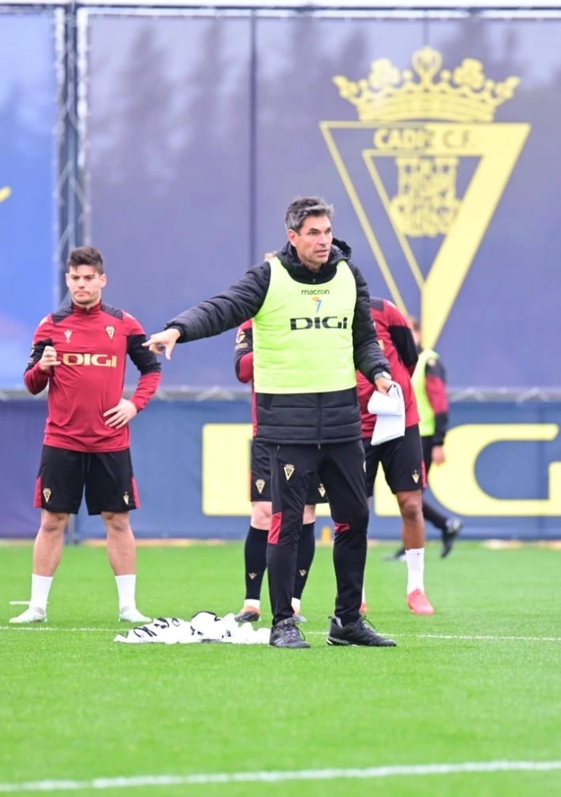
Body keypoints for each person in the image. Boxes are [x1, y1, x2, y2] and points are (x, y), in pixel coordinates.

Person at [144, 196, 395, 649]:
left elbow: (365, 338)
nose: (323, 240)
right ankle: (283, 622)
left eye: (326, 231)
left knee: (355, 519)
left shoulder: (349, 276)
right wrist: (178, 328)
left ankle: (346, 622)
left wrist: (378, 371)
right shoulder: (268, 277)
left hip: (341, 422)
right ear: (293, 237)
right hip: (289, 426)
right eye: (313, 233)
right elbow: (221, 307)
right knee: (289, 524)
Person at [11, 246, 161, 625]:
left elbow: (152, 370)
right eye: (75, 278)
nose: (81, 284)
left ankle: (128, 607)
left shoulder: (124, 324)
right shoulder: (51, 325)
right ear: (68, 280)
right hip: (62, 441)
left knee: (118, 520)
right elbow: (31, 384)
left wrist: (133, 405)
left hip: (110, 442)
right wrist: (42, 368)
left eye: (88, 278)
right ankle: (37, 607)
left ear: (102, 280)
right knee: (52, 521)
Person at [232, 316, 324, 624]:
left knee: (306, 514)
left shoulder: (312, 318)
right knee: (262, 513)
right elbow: (243, 370)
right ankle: (252, 602)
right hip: (268, 434)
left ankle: (294, 602)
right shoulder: (252, 325)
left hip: (311, 432)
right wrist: (281, 343)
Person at [359, 296, 435, 615]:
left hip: (400, 420)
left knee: (411, 504)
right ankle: (355, 592)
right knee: (354, 512)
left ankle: (416, 588)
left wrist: (394, 394)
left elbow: (410, 357)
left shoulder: (383, 309)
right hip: (355, 425)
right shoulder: (326, 316)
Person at [388, 316, 461, 559]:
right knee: (408, 493)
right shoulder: (397, 359)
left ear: (417, 334)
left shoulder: (428, 362)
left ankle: (441, 527)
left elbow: (439, 403)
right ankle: (443, 526)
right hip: (404, 433)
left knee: (410, 494)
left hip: (423, 435)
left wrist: (439, 441)